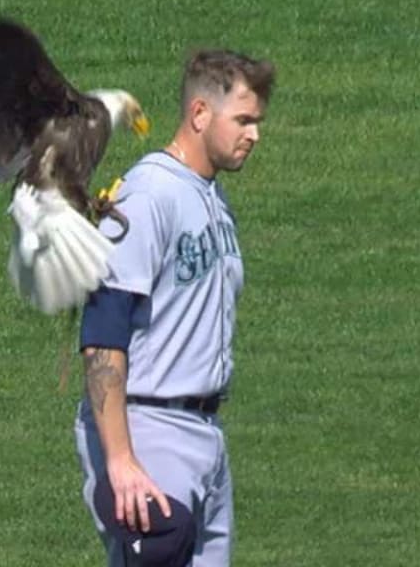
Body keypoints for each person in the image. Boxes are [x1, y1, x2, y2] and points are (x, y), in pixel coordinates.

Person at [74, 49, 275, 566]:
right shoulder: (149, 195)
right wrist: (119, 459)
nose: (255, 135)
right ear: (200, 114)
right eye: (244, 120)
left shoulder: (211, 198)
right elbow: (102, 332)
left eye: (257, 122)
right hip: (150, 430)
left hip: (204, 436)